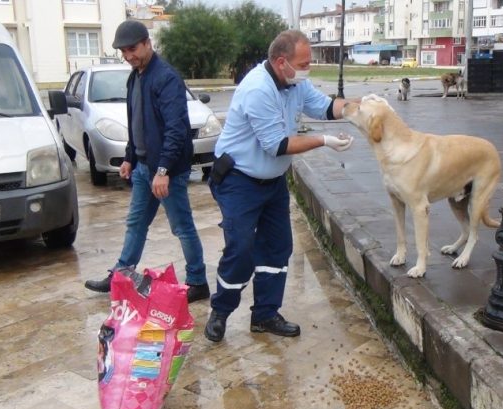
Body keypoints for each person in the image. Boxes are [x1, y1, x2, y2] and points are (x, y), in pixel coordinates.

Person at [205, 30, 355, 342]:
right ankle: (220, 311)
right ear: (280, 61)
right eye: (304, 63)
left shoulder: (294, 82)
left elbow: (325, 106)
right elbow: (277, 145)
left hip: (272, 182)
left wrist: (359, 109)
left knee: (277, 247)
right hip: (238, 181)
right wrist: (324, 140)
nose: (308, 69)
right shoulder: (258, 89)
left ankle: (265, 314)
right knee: (241, 248)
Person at [84, 20, 209, 303]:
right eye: (123, 51)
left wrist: (163, 170)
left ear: (147, 43)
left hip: (166, 172)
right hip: (142, 169)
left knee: (182, 227)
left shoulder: (166, 78)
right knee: (136, 224)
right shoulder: (135, 77)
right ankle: (121, 275)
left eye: (132, 49)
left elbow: (176, 130)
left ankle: (198, 281)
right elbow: (137, 123)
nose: (128, 56)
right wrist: (129, 157)